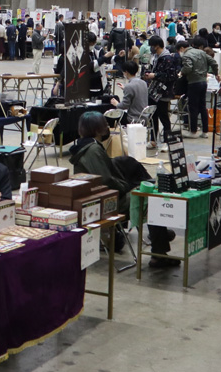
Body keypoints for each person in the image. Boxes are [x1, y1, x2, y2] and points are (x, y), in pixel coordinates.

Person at [68, 112, 173, 262]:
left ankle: (159, 236)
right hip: (106, 202)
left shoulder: (86, 147)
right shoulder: (93, 150)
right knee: (150, 198)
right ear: (98, 129)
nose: (107, 127)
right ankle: (159, 252)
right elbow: (106, 180)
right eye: (105, 125)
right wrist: (127, 187)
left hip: (99, 198)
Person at [143, 36, 180, 145]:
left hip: (163, 92)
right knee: (153, 115)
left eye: (151, 46)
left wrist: (155, 75)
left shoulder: (167, 59)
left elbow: (171, 76)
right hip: (154, 91)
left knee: (163, 116)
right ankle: (153, 139)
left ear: (157, 46)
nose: (151, 48)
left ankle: (167, 141)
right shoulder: (156, 58)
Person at [181, 36, 218, 138]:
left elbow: (188, 68)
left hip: (193, 82)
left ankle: (193, 131)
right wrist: (216, 74)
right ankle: (205, 132)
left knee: (193, 107)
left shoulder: (187, 54)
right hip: (203, 82)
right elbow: (214, 62)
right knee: (203, 107)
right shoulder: (202, 53)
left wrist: (182, 73)